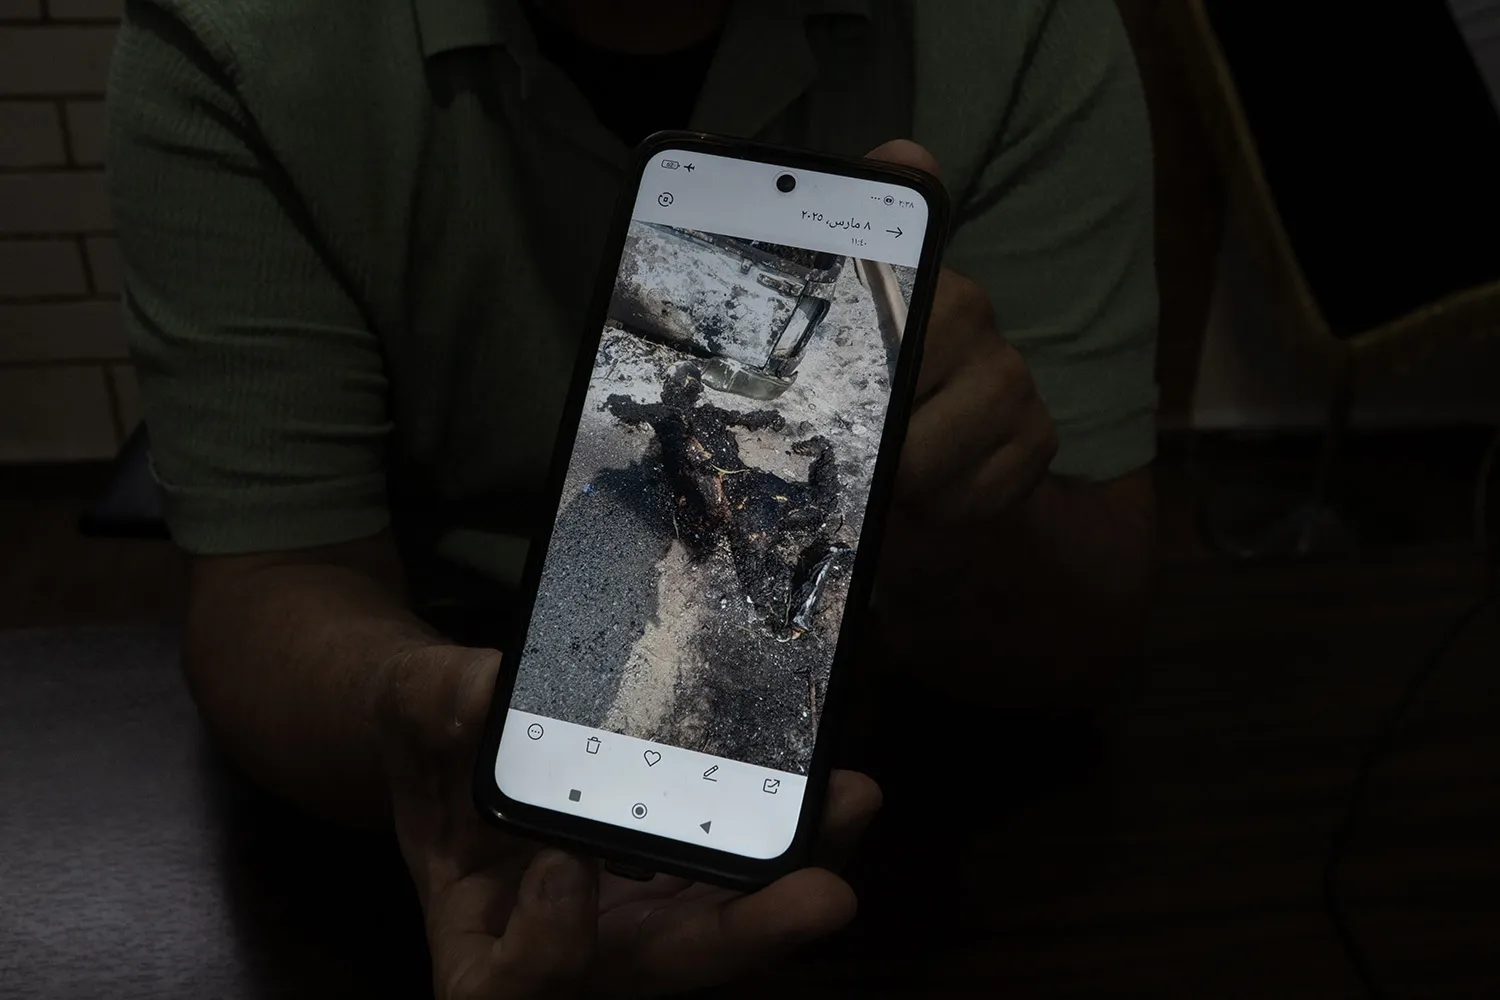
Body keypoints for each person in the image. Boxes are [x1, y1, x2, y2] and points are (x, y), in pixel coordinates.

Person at [107, 0, 1158, 994]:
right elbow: (269, 580)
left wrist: (962, 508)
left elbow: (1088, 615)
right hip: (413, 810)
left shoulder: (1022, 27)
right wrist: (424, 718)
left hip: (903, 749)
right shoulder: (240, 39)